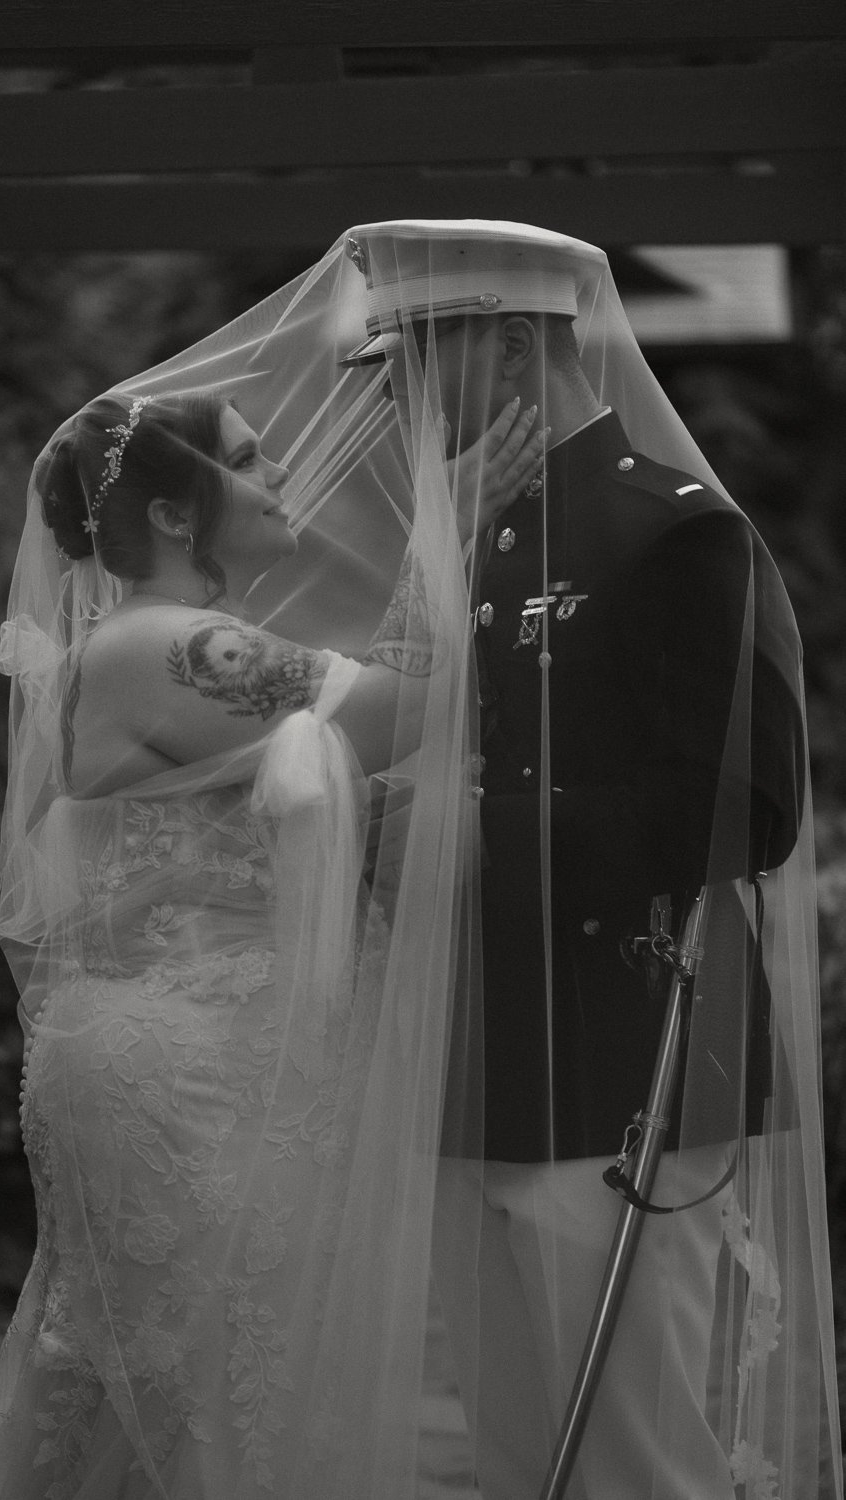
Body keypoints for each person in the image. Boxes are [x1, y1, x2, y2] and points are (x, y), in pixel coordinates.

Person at [0, 371, 542, 1500]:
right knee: (208, 1401)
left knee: (183, 1392)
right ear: (177, 515)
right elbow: (390, 714)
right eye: (250, 457)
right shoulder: (166, 646)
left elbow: (332, 754)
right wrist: (443, 539)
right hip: (180, 1071)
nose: (283, 475)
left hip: (207, 1058)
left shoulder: (187, 646)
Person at [340, 220, 842, 1498]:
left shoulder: (671, 531)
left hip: (626, 1052)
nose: (392, 392)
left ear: (512, 346)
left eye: (414, 356)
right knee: (519, 1455)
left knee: (627, 1458)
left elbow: (739, 809)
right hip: (482, 1057)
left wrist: (462, 838)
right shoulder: (467, 533)